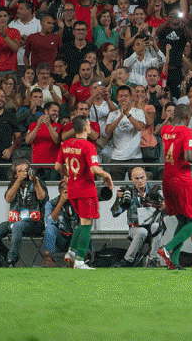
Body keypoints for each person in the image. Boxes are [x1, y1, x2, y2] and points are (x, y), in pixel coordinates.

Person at [55, 115, 113, 270]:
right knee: (87, 224)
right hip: (86, 189)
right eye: (89, 124)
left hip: (72, 189)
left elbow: (57, 166)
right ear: (86, 127)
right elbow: (94, 169)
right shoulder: (88, 146)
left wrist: (69, 175)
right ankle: (80, 260)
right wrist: (107, 175)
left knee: (82, 222)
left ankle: (71, 253)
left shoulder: (66, 144)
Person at [157, 104, 192, 270]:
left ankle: (174, 261)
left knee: (182, 219)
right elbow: (188, 155)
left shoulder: (165, 130)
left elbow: (158, 132)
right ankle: (167, 248)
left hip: (167, 179)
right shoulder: (187, 131)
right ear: (188, 117)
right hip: (182, 180)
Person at [0, 159, 48, 267]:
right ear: (15, 174)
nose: (24, 173)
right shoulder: (13, 184)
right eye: (20, 171)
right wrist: (17, 182)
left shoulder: (38, 182)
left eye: (26, 170)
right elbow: (8, 199)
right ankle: (5, 255)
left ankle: (11, 260)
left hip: (34, 224)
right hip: (15, 221)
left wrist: (35, 182)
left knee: (17, 226)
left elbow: (42, 198)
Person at [110, 167, 165, 267]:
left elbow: (167, 210)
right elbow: (115, 213)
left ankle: (153, 259)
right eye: (137, 178)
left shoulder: (155, 190)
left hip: (153, 226)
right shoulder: (128, 192)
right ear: (132, 179)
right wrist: (118, 199)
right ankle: (127, 260)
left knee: (156, 226)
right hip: (135, 227)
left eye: (142, 178)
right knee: (142, 231)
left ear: (146, 178)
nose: (140, 181)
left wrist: (163, 208)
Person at [104, 85, 146, 180]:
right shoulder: (112, 114)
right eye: (121, 96)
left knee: (137, 187)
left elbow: (139, 127)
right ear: (117, 98)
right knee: (116, 188)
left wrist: (127, 114)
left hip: (135, 157)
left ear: (130, 97)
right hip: (117, 157)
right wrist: (120, 116)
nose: (123, 98)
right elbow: (107, 131)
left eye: (126, 96)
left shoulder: (138, 112)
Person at [43, 180, 79, 267]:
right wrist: (61, 202)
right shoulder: (51, 203)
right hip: (60, 238)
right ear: (60, 192)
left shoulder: (78, 202)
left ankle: (75, 260)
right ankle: (49, 259)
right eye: (67, 191)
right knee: (50, 228)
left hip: (74, 238)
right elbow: (49, 222)